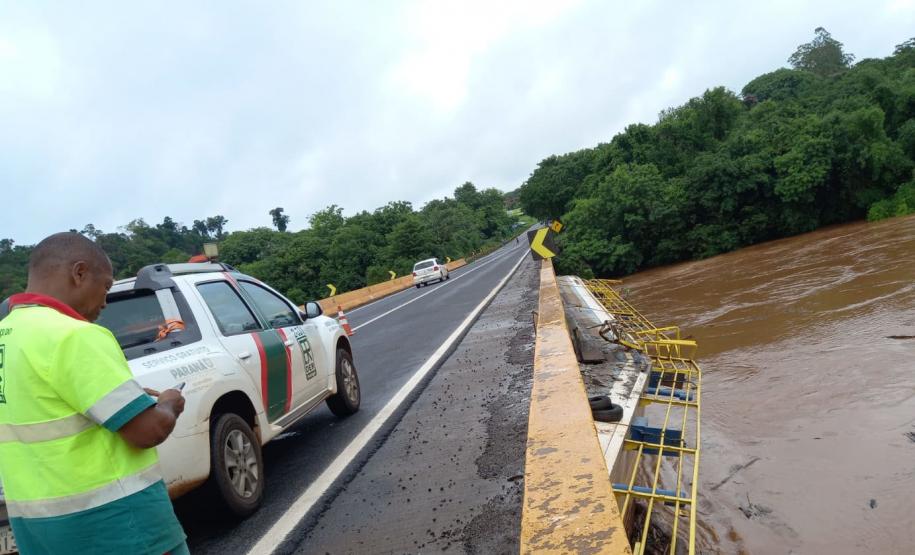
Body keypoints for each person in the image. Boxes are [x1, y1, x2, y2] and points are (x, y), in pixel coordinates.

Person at [0, 232, 188, 555]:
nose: (104, 301)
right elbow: (148, 430)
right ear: (79, 273)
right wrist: (169, 403)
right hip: (117, 526)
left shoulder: (8, 337)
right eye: (106, 287)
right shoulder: (75, 335)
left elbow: (47, 406)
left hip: (38, 531)